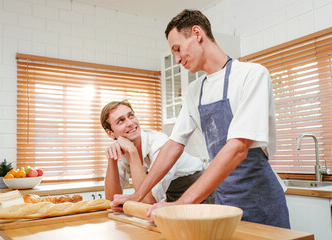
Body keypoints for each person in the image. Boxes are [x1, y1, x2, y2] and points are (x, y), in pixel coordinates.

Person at [111, 9, 290, 229]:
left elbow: (238, 148)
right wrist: (138, 195)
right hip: (223, 202)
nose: (177, 59)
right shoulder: (195, 91)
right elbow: (173, 145)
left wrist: (181, 204)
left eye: (178, 49)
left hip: (261, 199)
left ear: (197, 33)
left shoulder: (252, 75)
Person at [101, 100, 214, 210]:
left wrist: (133, 152)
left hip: (199, 189)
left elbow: (148, 202)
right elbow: (111, 202)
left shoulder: (159, 143)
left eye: (131, 116)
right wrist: (112, 159)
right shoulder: (121, 147)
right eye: (120, 121)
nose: (130, 123)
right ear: (110, 133)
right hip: (171, 196)